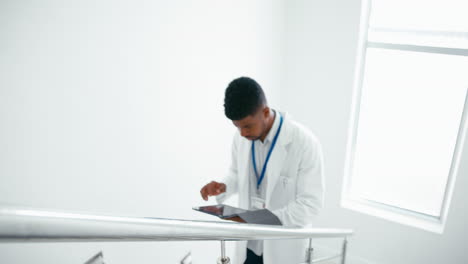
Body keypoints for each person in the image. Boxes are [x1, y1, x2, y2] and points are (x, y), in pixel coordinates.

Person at [200, 77, 324, 264]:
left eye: (247, 126)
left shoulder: (304, 142)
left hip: (282, 247)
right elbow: (236, 172)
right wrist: (224, 186)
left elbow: (310, 204)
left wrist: (264, 219)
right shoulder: (242, 137)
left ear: (265, 112)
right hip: (250, 242)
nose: (242, 133)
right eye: (237, 127)